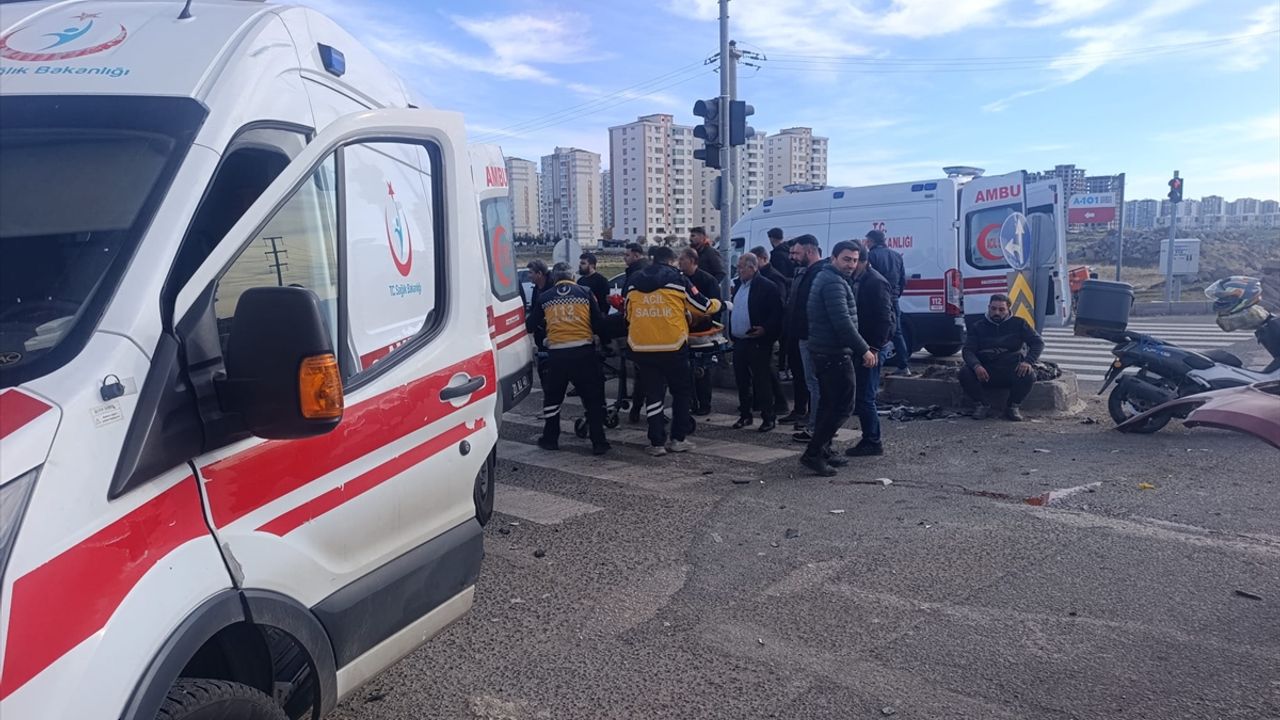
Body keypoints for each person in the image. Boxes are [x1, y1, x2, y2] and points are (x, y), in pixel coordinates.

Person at [625, 246, 722, 456]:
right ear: (671, 261)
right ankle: (678, 439)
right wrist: (719, 304)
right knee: (681, 392)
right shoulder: (678, 279)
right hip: (672, 346)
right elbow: (703, 306)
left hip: (642, 347)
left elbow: (627, 314)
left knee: (653, 394)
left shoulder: (634, 280)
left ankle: (656, 443)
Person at [802, 241, 877, 476]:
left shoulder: (831, 278)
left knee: (829, 404)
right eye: (846, 259)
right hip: (833, 353)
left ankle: (823, 450)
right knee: (843, 406)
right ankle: (813, 453)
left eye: (854, 260)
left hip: (826, 351)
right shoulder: (833, 282)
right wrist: (864, 349)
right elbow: (842, 322)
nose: (851, 265)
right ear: (834, 258)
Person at [528, 265, 611, 455]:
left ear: (555, 279)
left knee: (553, 398)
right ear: (572, 277)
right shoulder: (585, 293)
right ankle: (599, 442)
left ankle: (550, 439)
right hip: (584, 353)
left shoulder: (545, 297)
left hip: (557, 355)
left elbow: (531, 325)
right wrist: (604, 342)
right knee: (592, 399)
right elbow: (598, 322)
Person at [959, 295, 1045, 421]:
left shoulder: (1019, 323)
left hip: (1010, 368)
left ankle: (1013, 406)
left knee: (1028, 374)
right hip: (986, 370)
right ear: (988, 307)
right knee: (964, 373)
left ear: (1008, 309)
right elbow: (968, 350)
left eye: (1001, 309)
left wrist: (1028, 362)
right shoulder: (978, 326)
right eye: (993, 309)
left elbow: (1038, 343)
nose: (996, 313)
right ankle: (982, 405)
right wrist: (976, 366)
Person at [845, 241, 894, 457]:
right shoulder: (859, 279)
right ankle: (870, 438)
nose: (849, 265)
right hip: (863, 345)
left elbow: (885, 319)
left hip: (871, 347)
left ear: (862, 261)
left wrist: (873, 348)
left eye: (853, 260)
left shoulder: (875, 282)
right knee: (862, 395)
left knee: (865, 396)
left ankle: (872, 440)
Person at [729, 253, 783, 432]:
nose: (738, 270)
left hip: (758, 341)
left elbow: (777, 313)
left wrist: (765, 329)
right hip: (740, 341)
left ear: (752, 267)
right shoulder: (739, 285)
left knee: (762, 380)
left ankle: (768, 417)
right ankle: (745, 414)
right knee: (741, 380)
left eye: (741, 267)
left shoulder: (767, 286)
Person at [787, 235, 826, 443]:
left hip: (812, 337)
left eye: (797, 253)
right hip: (804, 335)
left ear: (810, 252)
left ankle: (816, 428)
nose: (793, 257)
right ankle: (815, 425)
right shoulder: (809, 272)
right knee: (812, 383)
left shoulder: (818, 273)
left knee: (815, 383)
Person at [678, 247, 723, 416]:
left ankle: (704, 404)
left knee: (702, 370)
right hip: (683, 332)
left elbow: (715, 307)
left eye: (682, 259)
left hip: (702, 334)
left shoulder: (708, 280)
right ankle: (691, 402)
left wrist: (700, 320)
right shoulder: (679, 280)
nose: (679, 262)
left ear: (692, 261)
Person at [750, 246, 791, 417]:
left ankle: (779, 402)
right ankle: (760, 400)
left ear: (763, 259)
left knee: (767, 367)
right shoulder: (761, 276)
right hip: (760, 328)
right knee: (760, 367)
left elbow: (778, 306)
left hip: (770, 330)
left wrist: (768, 327)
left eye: (755, 260)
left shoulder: (774, 278)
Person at [865, 230, 913, 376]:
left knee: (876, 331)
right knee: (897, 332)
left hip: (878, 299)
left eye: (867, 241)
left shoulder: (871, 256)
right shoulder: (896, 255)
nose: (866, 244)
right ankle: (904, 366)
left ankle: (875, 363)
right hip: (893, 299)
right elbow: (902, 280)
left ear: (871, 241)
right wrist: (896, 295)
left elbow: (869, 278)